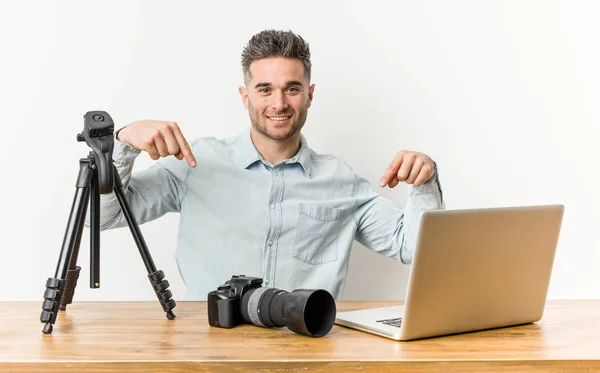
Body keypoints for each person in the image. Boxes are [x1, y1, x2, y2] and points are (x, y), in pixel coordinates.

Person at [100, 29, 445, 300]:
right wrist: (122, 142)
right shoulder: (195, 164)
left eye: (292, 88)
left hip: (306, 353)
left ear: (310, 94)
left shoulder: (342, 182)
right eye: (264, 89)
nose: (278, 103)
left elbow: (412, 247)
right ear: (245, 96)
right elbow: (103, 217)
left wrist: (425, 181)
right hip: (206, 350)